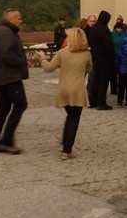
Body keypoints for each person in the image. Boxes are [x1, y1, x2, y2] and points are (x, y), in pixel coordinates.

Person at [36, 28, 91, 160]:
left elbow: (49, 68)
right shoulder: (86, 54)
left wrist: (42, 58)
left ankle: (65, 141)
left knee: (70, 115)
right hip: (77, 89)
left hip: (64, 88)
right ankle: (67, 150)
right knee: (74, 119)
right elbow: (88, 68)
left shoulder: (62, 53)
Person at [0, 8, 29, 154]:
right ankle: (6, 140)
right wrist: (21, 62)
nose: (21, 20)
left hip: (2, 77)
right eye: (18, 18)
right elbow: (7, 55)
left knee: (2, 110)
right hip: (9, 76)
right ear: (11, 20)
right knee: (20, 105)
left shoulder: (2, 31)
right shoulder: (6, 32)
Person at [86, 10, 116, 110]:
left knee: (95, 79)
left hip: (95, 57)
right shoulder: (104, 29)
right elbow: (108, 45)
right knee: (103, 81)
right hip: (105, 59)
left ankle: (92, 101)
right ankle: (101, 102)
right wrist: (112, 56)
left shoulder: (93, 29)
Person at [112, 21, 127, 107]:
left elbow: (116, 61)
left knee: (121, 87)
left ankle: (119, 101)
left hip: (121, 72)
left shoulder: (119, 52)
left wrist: (117, 68)